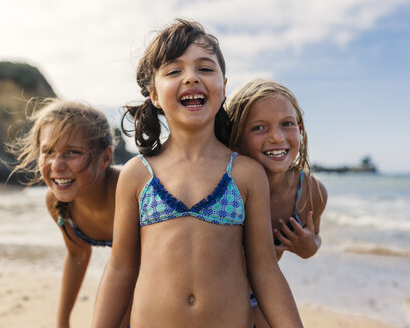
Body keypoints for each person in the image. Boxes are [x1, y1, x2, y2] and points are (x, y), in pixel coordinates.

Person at [92, 19, 303, 328]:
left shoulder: (245, 174)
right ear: (153, 94)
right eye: (174, 71)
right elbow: (121, 268)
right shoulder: (137, 175)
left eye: (205, 69)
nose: (191, 78)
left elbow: (266, 272)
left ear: (223, 85)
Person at [6, 99, 129, 328]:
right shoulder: (57, 203)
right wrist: (62, 322)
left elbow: (135, 267)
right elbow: (77, 255)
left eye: (72, 152)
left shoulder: (127, 189)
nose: (57, 165)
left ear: (105, 158)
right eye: (48, 151)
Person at [226, 78, 328, 328]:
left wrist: (308, 246)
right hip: (215, 297)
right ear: (236, 136)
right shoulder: (225, 185)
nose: (276, 137)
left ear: (300, 128)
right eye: (259, 127)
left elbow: (315, 240)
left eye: (287, 124)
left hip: (259, 296)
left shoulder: (310, 193)